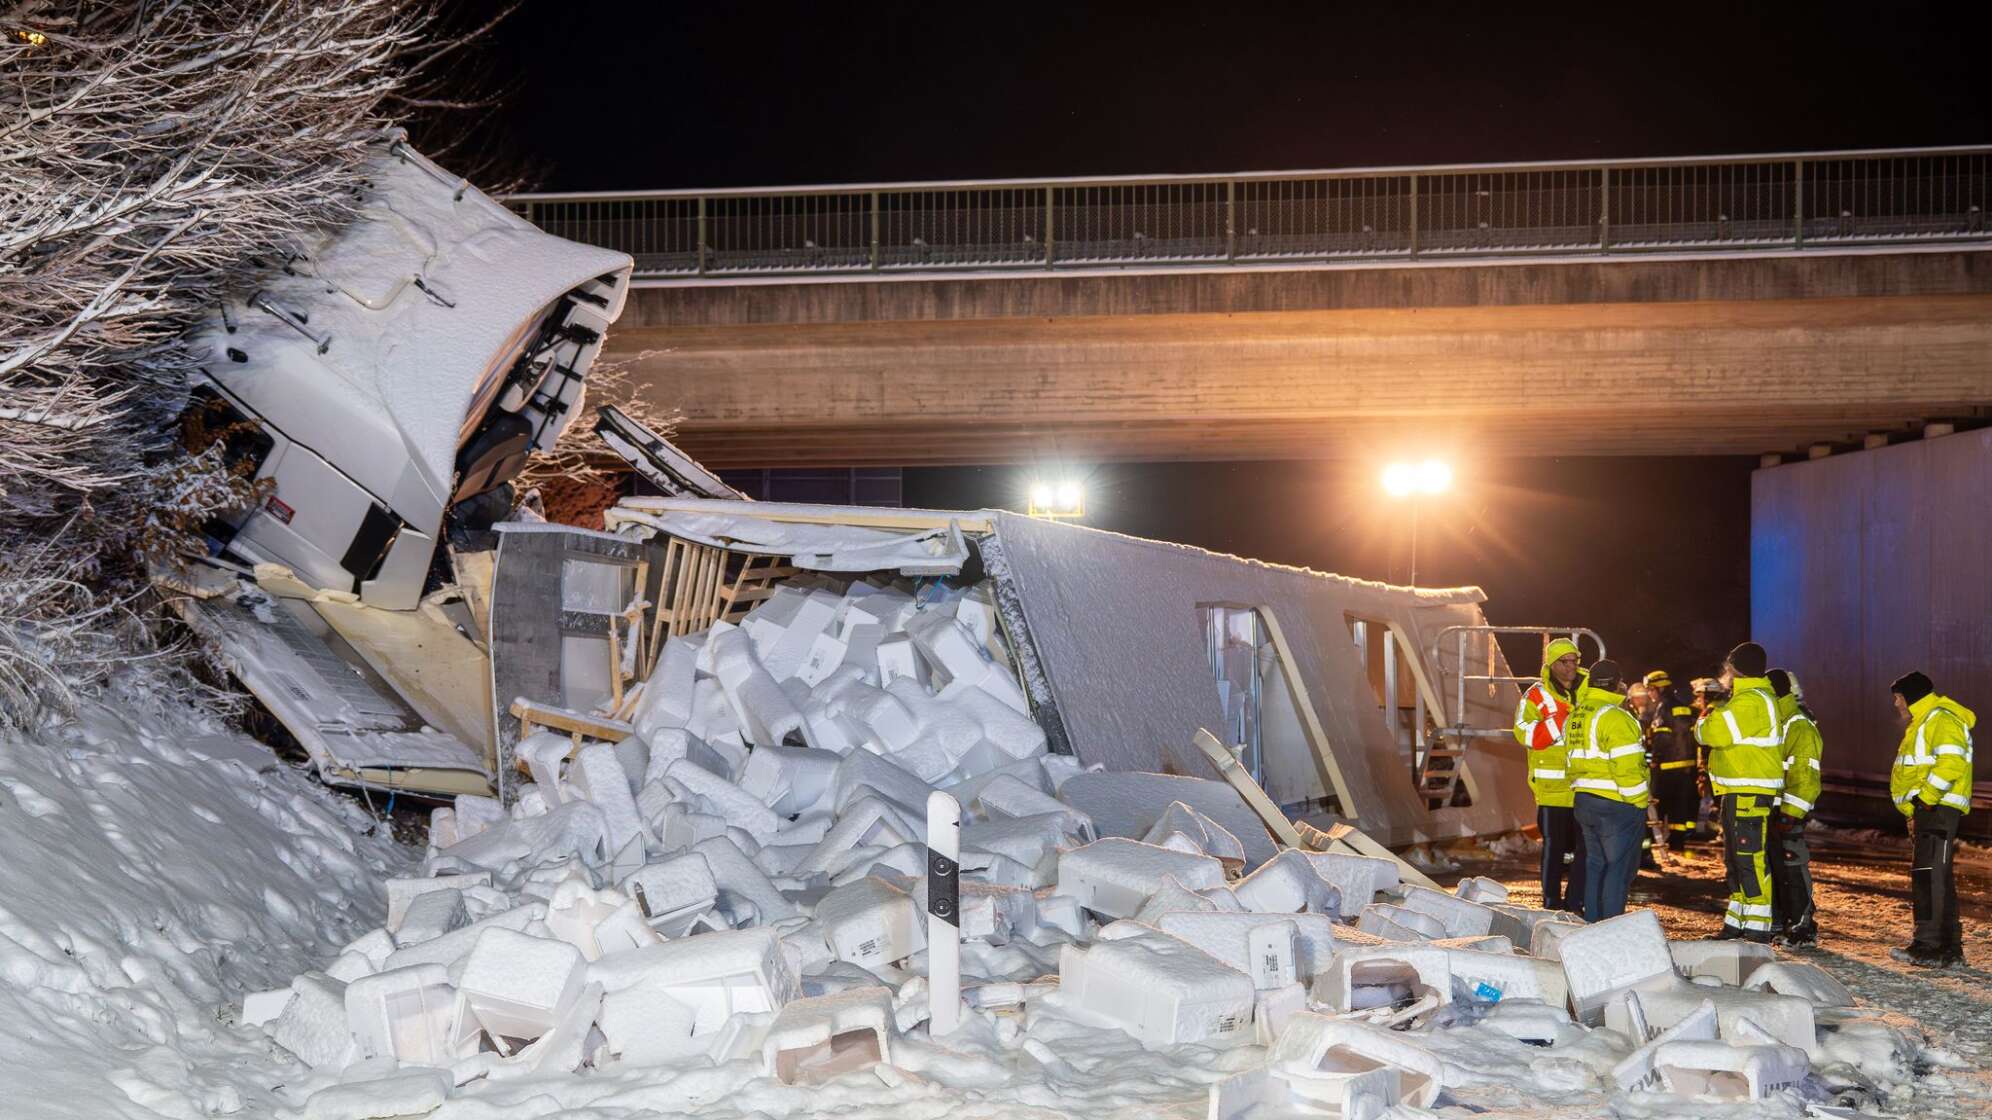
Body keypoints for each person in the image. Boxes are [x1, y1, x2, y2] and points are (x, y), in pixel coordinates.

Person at [1692, 641, 1785, 942]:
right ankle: (1736, 925)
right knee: (1736, 861)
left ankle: (1757, 931)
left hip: (1748, 790)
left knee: (1749, 859)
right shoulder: (1746, 699)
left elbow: (1713, 733)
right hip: (1738, 790)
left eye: (1729, 667)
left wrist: (1703, 724)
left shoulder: (1751, 701)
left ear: (1735, 669)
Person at [1886, 671, 1976, 968]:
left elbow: (1952, 762)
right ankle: (1949, 950)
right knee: (1937, 878)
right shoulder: (1926, 721)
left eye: (1898, 697)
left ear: (1911, 696)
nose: (1896, 704)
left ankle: (1928, 946)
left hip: (1935, 809)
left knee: (1928, 877)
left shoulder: (1940, 719)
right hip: (1931, 809)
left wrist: (1925, 798)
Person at [1565, 660, 1650, 920]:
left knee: (1595, 865)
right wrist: (1639, 802)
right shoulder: (1617, 717)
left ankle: (1593, 925)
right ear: (1616, 684)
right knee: (1619, 870)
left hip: (1584, 801)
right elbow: (1628, 767)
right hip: (1617, 804)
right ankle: (1612, 928)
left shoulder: (1576, 715)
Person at [1515, 637, 1588, 915]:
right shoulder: (1535, 695)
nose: (1571, 667)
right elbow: (1524, 733)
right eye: (1564, 662)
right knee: (1554, 849)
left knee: (1585, 849)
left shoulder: (1590, 690)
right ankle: (1551, 902)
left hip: (1585, 783)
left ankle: (1575, 901)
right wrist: (1559, 722)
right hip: (1552, 788)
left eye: (1574, 661)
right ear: (1551, 664)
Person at [1766, 669, 1820, 946]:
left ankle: (1802, 925)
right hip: (1777, 810)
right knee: (1779, 867)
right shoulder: (1782, 721)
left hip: (1788, 812)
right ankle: (1786, 921)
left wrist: (1791, 813)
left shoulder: (1798, 724)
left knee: (1792, 865)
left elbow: (1805, 776)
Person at [1644, 670, 1701, 853]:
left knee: (1658, 806)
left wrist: (1654, 760)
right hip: (1687, 769)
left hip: (1668, 768)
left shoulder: (1664, 707)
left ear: (1658, 688)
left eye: (1650, 690)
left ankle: (1648, 845)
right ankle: (1677, 843)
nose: (1649, 694)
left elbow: (1662, 737)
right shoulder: (1685, 708)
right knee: (1680, 808)